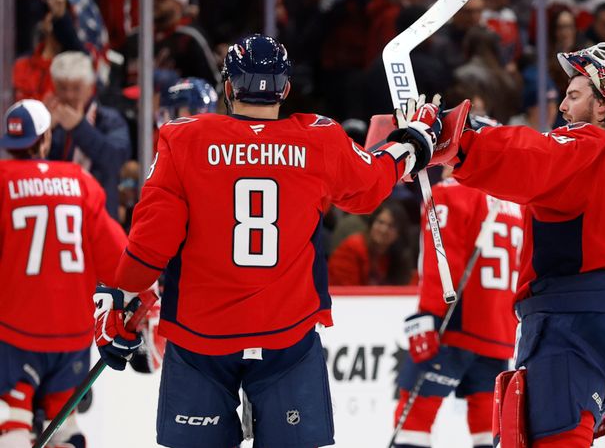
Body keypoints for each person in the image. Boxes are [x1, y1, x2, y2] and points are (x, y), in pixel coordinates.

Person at [92, 34, 444, 448]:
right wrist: (415, 142)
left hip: (200, 337)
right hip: (287, 336)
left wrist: (122, 299)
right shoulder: (319, 138)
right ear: (286, 89)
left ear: (227, 87)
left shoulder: (183, 138)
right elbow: (372, 185)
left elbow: (150, 243)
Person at [453, 41, 605, 447]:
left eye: (574, 95)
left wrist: (454, 140)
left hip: (571, 321)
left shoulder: (588, 147)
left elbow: (529, 157)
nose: (563, 109)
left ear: (604, 106)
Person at [0, 99, 127, 448]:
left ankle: (14, 430)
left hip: (15, 333)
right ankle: (68, 435)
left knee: (12, 418)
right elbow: (121, 262)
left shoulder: (2, 182)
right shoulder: (80, 182)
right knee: (62, 421)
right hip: (72, 336)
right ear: (45, 139)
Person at [393, 160, 524, 448]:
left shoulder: (449, 193)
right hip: (499, 333)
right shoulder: (516, 204)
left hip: (455, 327)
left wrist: (428, 316)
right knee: (486, 428)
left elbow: (442, 262)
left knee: (414, 418)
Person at [46, 51, 131, 217]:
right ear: (54, 87)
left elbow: (115, 159)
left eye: (76, 88)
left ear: (90, 87)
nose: (69, 95)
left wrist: (79, 127)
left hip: (99, 216)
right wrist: (44, 131)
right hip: (56, 215)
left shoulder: (109, 119)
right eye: (63, 88)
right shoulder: (48, 120)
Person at [329, 200, 414, 286]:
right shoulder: (352, 248)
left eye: (391, 226)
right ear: (371, 224)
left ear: (399, 233)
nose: (384, 230)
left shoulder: (397, 256)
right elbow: (347, 291)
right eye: (380, 222)